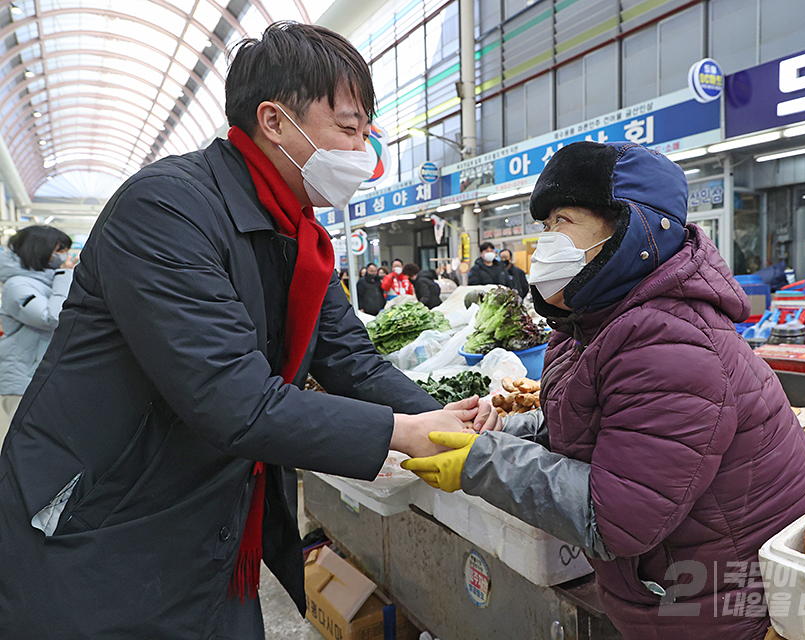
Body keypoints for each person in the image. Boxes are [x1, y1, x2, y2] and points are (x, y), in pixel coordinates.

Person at [0, 22, 474, 639]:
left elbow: (351, 359)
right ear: (274, 121)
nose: (364, 153)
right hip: (99, 519)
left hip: (207, 514)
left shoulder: (297, 234)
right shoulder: (166, 212)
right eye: (350, 129)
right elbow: (236, 401)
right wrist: (403, 432)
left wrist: (450, 421)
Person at [402, 142, 805, 640]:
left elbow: (618, 516)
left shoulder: (670, 340)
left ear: (633, 230)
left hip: (727, 606)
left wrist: (479, 461)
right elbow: (590, 421)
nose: (546, 243)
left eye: (563, 220)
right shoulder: (592, 324)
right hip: (679, 591)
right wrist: (503, 428)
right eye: (544, 226)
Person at [0, 226, 76, 441]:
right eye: (60, 250)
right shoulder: (17, 285)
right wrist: (65, 275)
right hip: (22, 380)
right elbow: (51, 318)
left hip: (39, 377)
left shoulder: (46, 282)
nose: (64, 256)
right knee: (23, 448)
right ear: (40, 250)